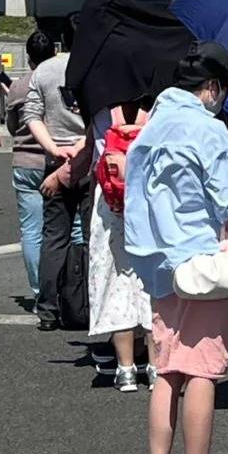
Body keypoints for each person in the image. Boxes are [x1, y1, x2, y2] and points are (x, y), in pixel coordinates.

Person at [124, 43, 228, 454]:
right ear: (212, 87)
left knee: (168, 368)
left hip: (159, 262)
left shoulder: (154, 126)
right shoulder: (209, 130)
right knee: (203, 370)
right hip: (205, 262)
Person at [87, 98, 156, 392]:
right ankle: (155, 367)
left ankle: (125, 369)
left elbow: (94, 162)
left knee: (117, 282)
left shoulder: (102, 112)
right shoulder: (158, 110)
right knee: (152, 285)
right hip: (148, 204)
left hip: (110, 206)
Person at [23, 44, 89, 331]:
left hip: (54, 160)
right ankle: (88, 302)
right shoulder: (92, 66)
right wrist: (80, 145)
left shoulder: (44, 70)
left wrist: (52, 147)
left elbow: (31, 115)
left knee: (53, 237)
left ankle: (48, 309)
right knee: (91, 236)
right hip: (88, 159)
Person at [5, 30, 56, 303]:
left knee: (31, 230)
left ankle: (39, 292)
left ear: (28, 57)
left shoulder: (19, 86)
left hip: (25, 161)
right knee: (66, 228)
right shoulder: (60, 80)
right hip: (56, 162)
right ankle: (67, 288)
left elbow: (12, 126)